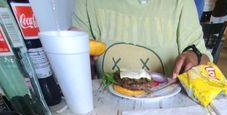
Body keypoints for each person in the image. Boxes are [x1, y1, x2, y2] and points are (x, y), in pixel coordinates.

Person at [72, 0, 212, 78]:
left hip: (166, 111)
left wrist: (195, 59)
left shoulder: (181, 3)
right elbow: (82, 72)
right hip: (107, 111)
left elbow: (205, 61)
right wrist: (71, 54)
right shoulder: (87, 3)